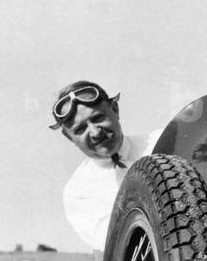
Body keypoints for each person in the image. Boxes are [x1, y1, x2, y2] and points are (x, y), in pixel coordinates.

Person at [50, 80, 162, 251]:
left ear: (115, 109)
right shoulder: (78, 192)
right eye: (80, 129)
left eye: (98, 118)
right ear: (69, 137)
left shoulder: (159, 141)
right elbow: (118, 244)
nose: (95, 132)